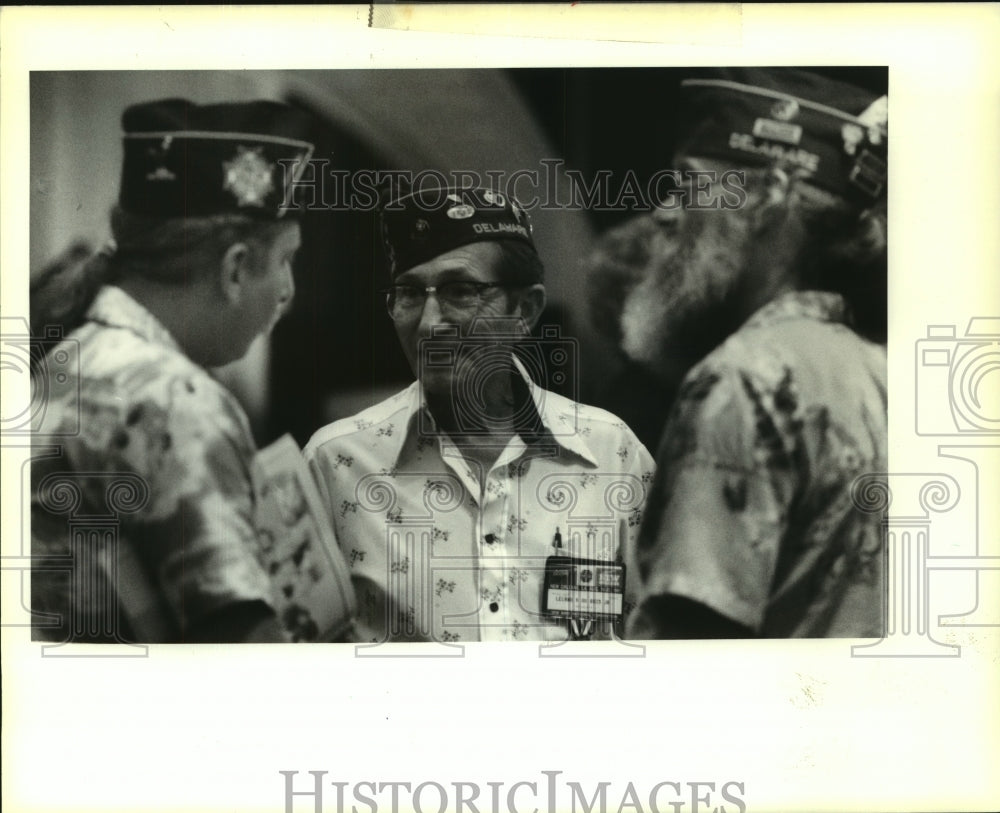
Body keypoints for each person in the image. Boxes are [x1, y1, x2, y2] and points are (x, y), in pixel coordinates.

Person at [591, 69, 888, 638]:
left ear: (768, 197)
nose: (666, 211)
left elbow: (693, 663)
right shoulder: (873, 361)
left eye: (687, 183)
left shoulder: (749, 378)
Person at [305, 185, 655, 643]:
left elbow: (658, 642)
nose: (429, 323)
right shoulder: (338, 464)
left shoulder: (611, 454)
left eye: (460, 291)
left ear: (524, 310)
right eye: (409, 294)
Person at [30, 98, 316, 643]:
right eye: (284, 260)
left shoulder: (67, 358)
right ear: (234, 270)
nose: (287, 292)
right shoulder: (176, 401)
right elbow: (245, 663)